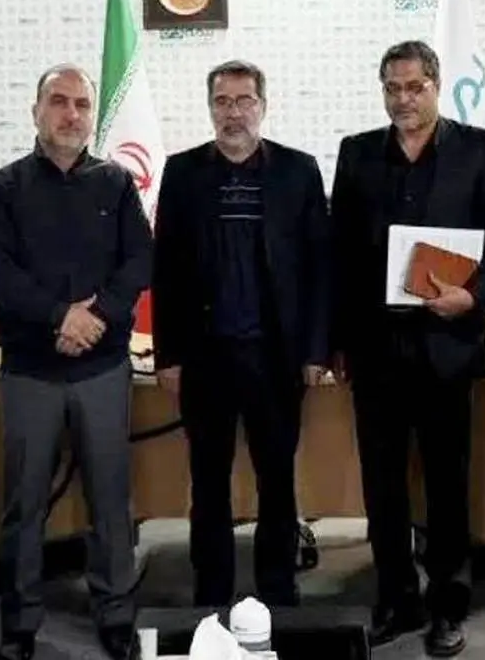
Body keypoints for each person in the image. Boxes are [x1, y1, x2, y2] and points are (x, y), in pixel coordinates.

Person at [330, 41, 485, 657]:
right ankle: (396, 598)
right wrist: (336, 340)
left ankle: (448, 605)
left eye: (414, 87)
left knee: (446, 483)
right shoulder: (358, 154)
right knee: (382, 486)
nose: (403, 100)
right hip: (376, 350)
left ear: (437, 85)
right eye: (392, 88)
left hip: (447, 344)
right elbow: (340, 254)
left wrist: (476, 297)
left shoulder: (479, 149)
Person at [0, 64, 152, 660]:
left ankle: (116, 613)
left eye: (81, 104)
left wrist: (94, 317)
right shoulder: (2, 188)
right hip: (31, 369)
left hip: (102, 367)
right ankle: (20, 621)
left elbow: (139, 260)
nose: (71, 114)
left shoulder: (116, 184)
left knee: (110, 497)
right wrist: (60, 317)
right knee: (25, 501)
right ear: (36, 110)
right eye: (58, 101)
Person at [152, 60, 330, 608]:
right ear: (210, 109)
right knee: (208, 482)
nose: (234, 113)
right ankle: (211, 590)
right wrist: (168, 355)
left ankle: (278, 589)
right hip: (206, 357)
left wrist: (316, 350)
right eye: (223, 101)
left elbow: (319, 267)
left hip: (275, 357)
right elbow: (166, 270)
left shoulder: (298, 171)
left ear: (263, 106)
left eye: (244, 100)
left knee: (277, 479)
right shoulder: (182, 173)